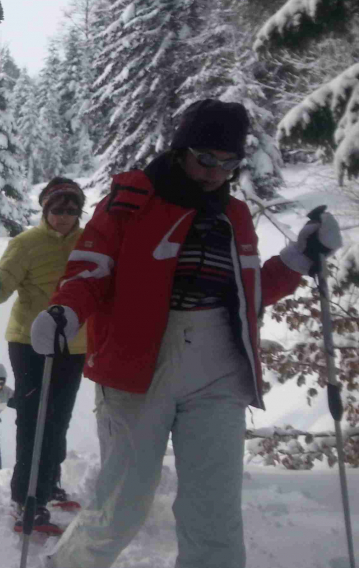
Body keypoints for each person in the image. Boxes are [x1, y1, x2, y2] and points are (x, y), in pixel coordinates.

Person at [29, 99, 342, 568]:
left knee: (214, 511)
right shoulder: (133, 199)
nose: (215, 172)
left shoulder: (234, 215)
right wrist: (65, 313)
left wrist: (300, 255)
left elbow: (247, 294)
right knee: (123, 502)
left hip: (220, 367)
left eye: (228, 162)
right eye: (205, 159)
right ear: (180, 150)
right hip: (139, 363)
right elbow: (90, 270)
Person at [0, 177, 89, 533]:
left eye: (72, 209)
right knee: (35, 420)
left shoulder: (90, 243)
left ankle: (49, 483)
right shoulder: (26, 243)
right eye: (58, 209)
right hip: (29, 343)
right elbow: (6, 278)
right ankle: (26, 500)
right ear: (45, 210)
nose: (65, 216)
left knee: (58, 417)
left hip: (73, 343)